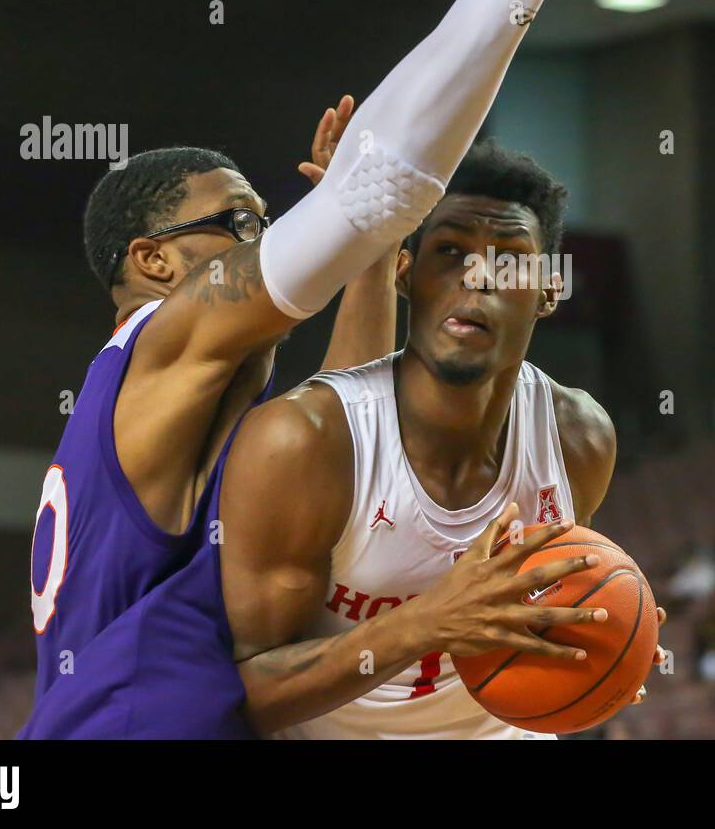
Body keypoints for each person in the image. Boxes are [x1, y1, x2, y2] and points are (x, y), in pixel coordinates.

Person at [20, 0, 628, 739]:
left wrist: (374, 263)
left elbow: (354, 402)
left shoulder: (208, 413)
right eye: (240, 224)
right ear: (152, 262)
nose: (269, 241)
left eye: (268, 219)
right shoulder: (165, 338)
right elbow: (371, 196)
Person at [221, 141, 665, 738]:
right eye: (451, 251)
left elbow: (535, 623)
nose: (477, 277)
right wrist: (430, 622)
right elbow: (242, 693)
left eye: (509, 260)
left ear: (549, 291)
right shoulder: (302, 441)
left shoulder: (579, 438)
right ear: (406, 273)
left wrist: (606, 645)